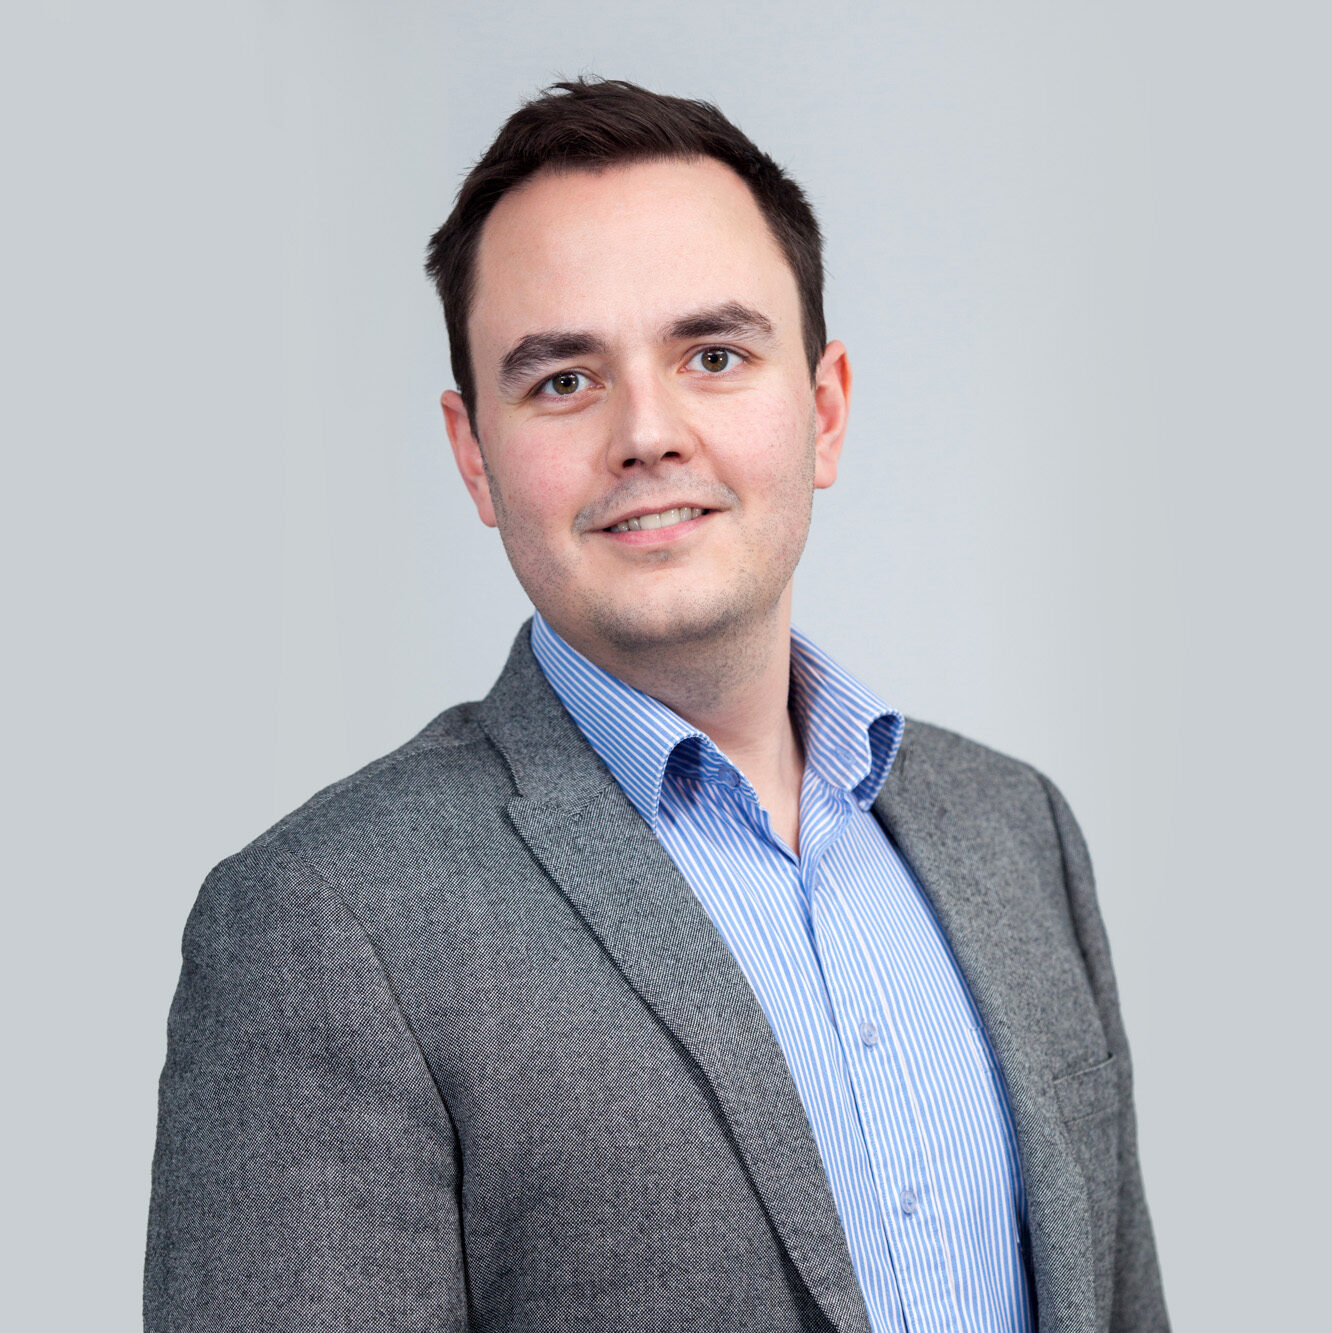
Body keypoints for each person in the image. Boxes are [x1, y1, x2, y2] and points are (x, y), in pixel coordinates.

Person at [145, 78, 1169, 1333]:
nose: (648, 433)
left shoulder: (1020, 834)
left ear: (825, 408)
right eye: (564, 381)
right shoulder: (325, 928)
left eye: (715, 355)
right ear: (475, 456)